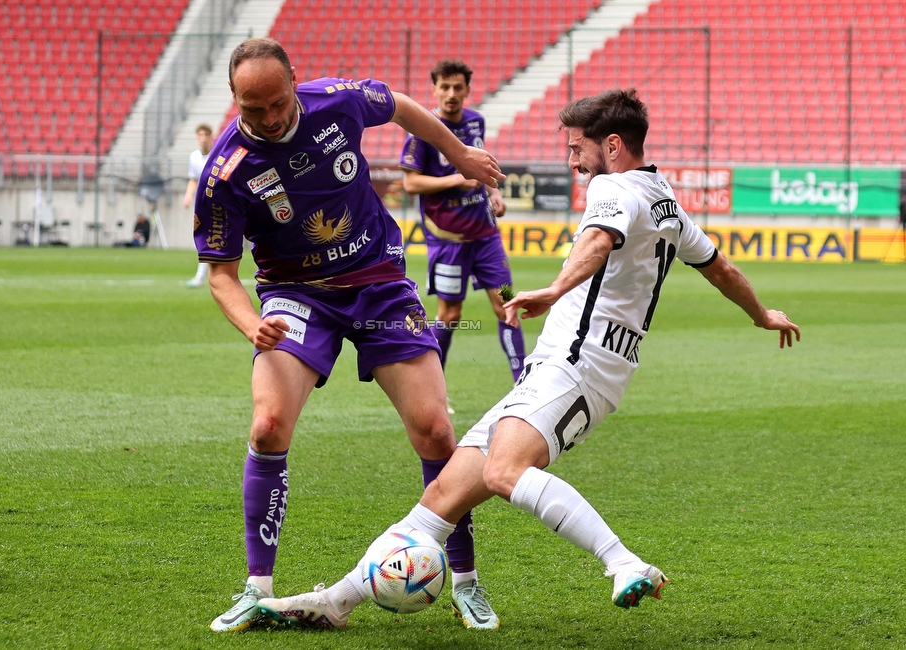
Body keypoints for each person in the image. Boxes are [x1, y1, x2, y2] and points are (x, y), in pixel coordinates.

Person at [254, 88, 802, 630]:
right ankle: (339, 601)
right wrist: (761, 314)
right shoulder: (664, 199)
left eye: (576, 148)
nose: (571, 160)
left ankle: (623, 561)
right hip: (571, 368)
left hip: (577, 365)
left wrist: (553, 289)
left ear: (612, 146)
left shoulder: (612, 189)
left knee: (504, 470)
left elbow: (597, 242)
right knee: (442, 496)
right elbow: (721, 269)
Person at [192, 38, 506, 633]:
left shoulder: (336, 100)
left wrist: (461, 153)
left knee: (436, 429)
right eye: (252, 109)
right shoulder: (225, 173)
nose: (269, 117)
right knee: (267, 424)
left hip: (379, 282)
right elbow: (223, 277)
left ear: (294, 83)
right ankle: (257, 590)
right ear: (234, 100)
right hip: (295, 296)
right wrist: (249, 323)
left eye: (278, 102)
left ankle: (464, 579)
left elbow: (401, 105)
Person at [400, 60, 525, 408]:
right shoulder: (422, 131)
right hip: (448, 242)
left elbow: (483, 169)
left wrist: (494, 192)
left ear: (468, 90)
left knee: (508, 304)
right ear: (434, 89)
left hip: (487, 240)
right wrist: (457, 178)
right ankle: (434, 393)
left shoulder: (475, 122)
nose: (452, 94)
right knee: (450, 316)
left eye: (458, 87)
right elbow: (411, 183)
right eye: (445, 87)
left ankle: (524, 386)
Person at [185, 123, 215, 287]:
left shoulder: (217, 155)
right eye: (200, 136)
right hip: (203, 205)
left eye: (206, 135)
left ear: (211, 137)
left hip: (221, 203)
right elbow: (194, 179)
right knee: (205, 238)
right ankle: (200, 277)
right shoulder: (194, 157)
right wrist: (188, 196)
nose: (203, 139)